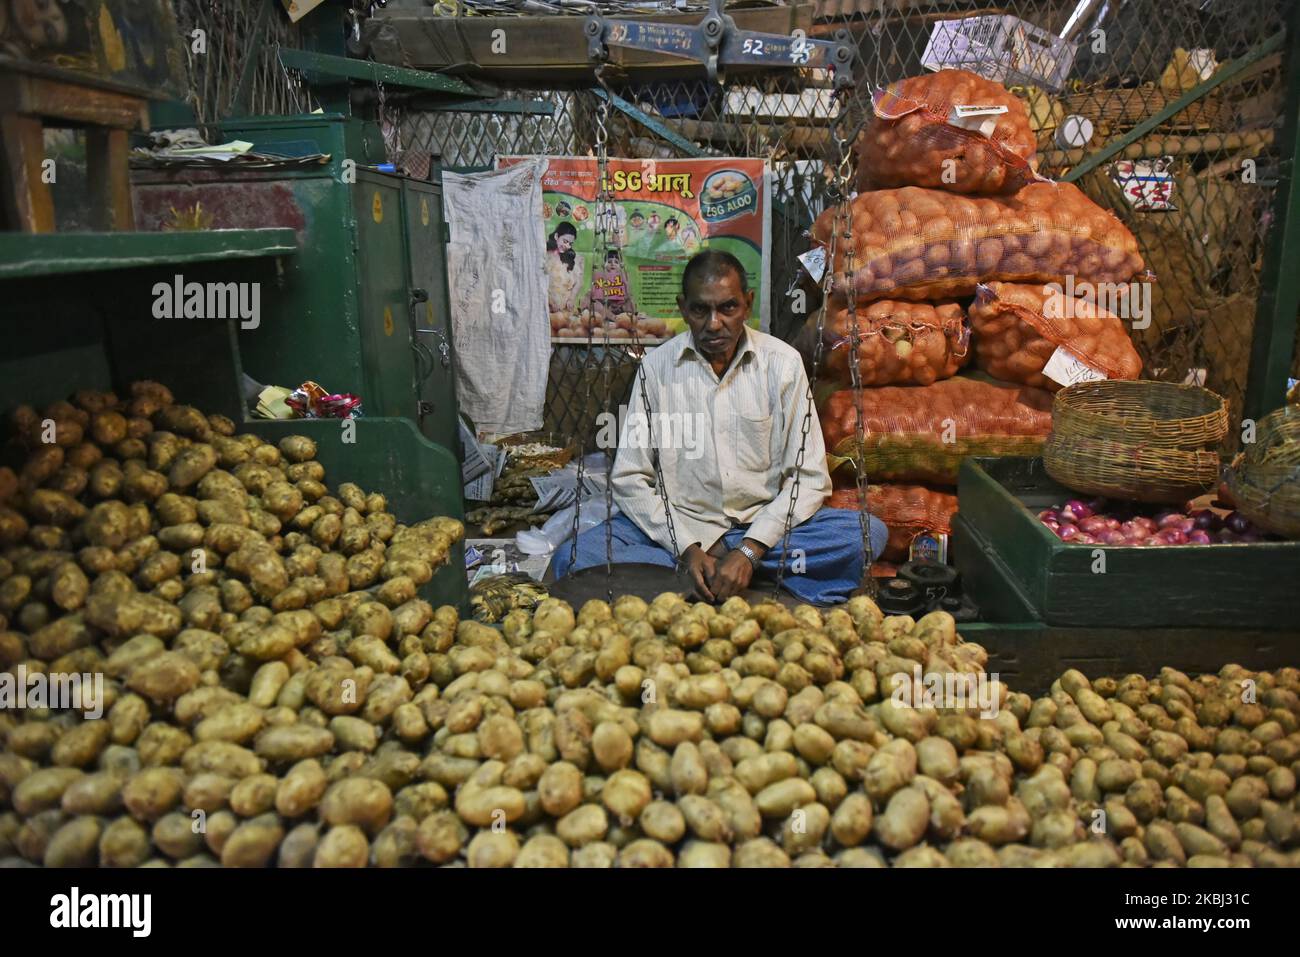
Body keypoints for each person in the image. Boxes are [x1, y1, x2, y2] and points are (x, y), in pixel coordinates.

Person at [551, 249, 887, 604]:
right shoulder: (657, 369)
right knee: (576, 559)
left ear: (747, 304)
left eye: (728, 308)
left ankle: (710, 577)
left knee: (866, 535)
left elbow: (808, 477)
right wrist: (689, 547)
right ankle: (725, 575)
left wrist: (750, 550)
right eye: (700, 310)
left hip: (762, 531)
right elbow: (630, 478)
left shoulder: (782, 365)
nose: (714, 323)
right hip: (680, 533)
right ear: (684, 308)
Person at [545, 221, 583, 315]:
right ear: (556, 236)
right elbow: (537, 282)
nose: (567, 246)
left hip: (566, 309)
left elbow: (578, 282)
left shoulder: (574, 259)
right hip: (546, 307)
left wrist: (571, 299)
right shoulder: (545, 255)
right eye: (565, 241)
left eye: (570, 244)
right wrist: (550, 301)